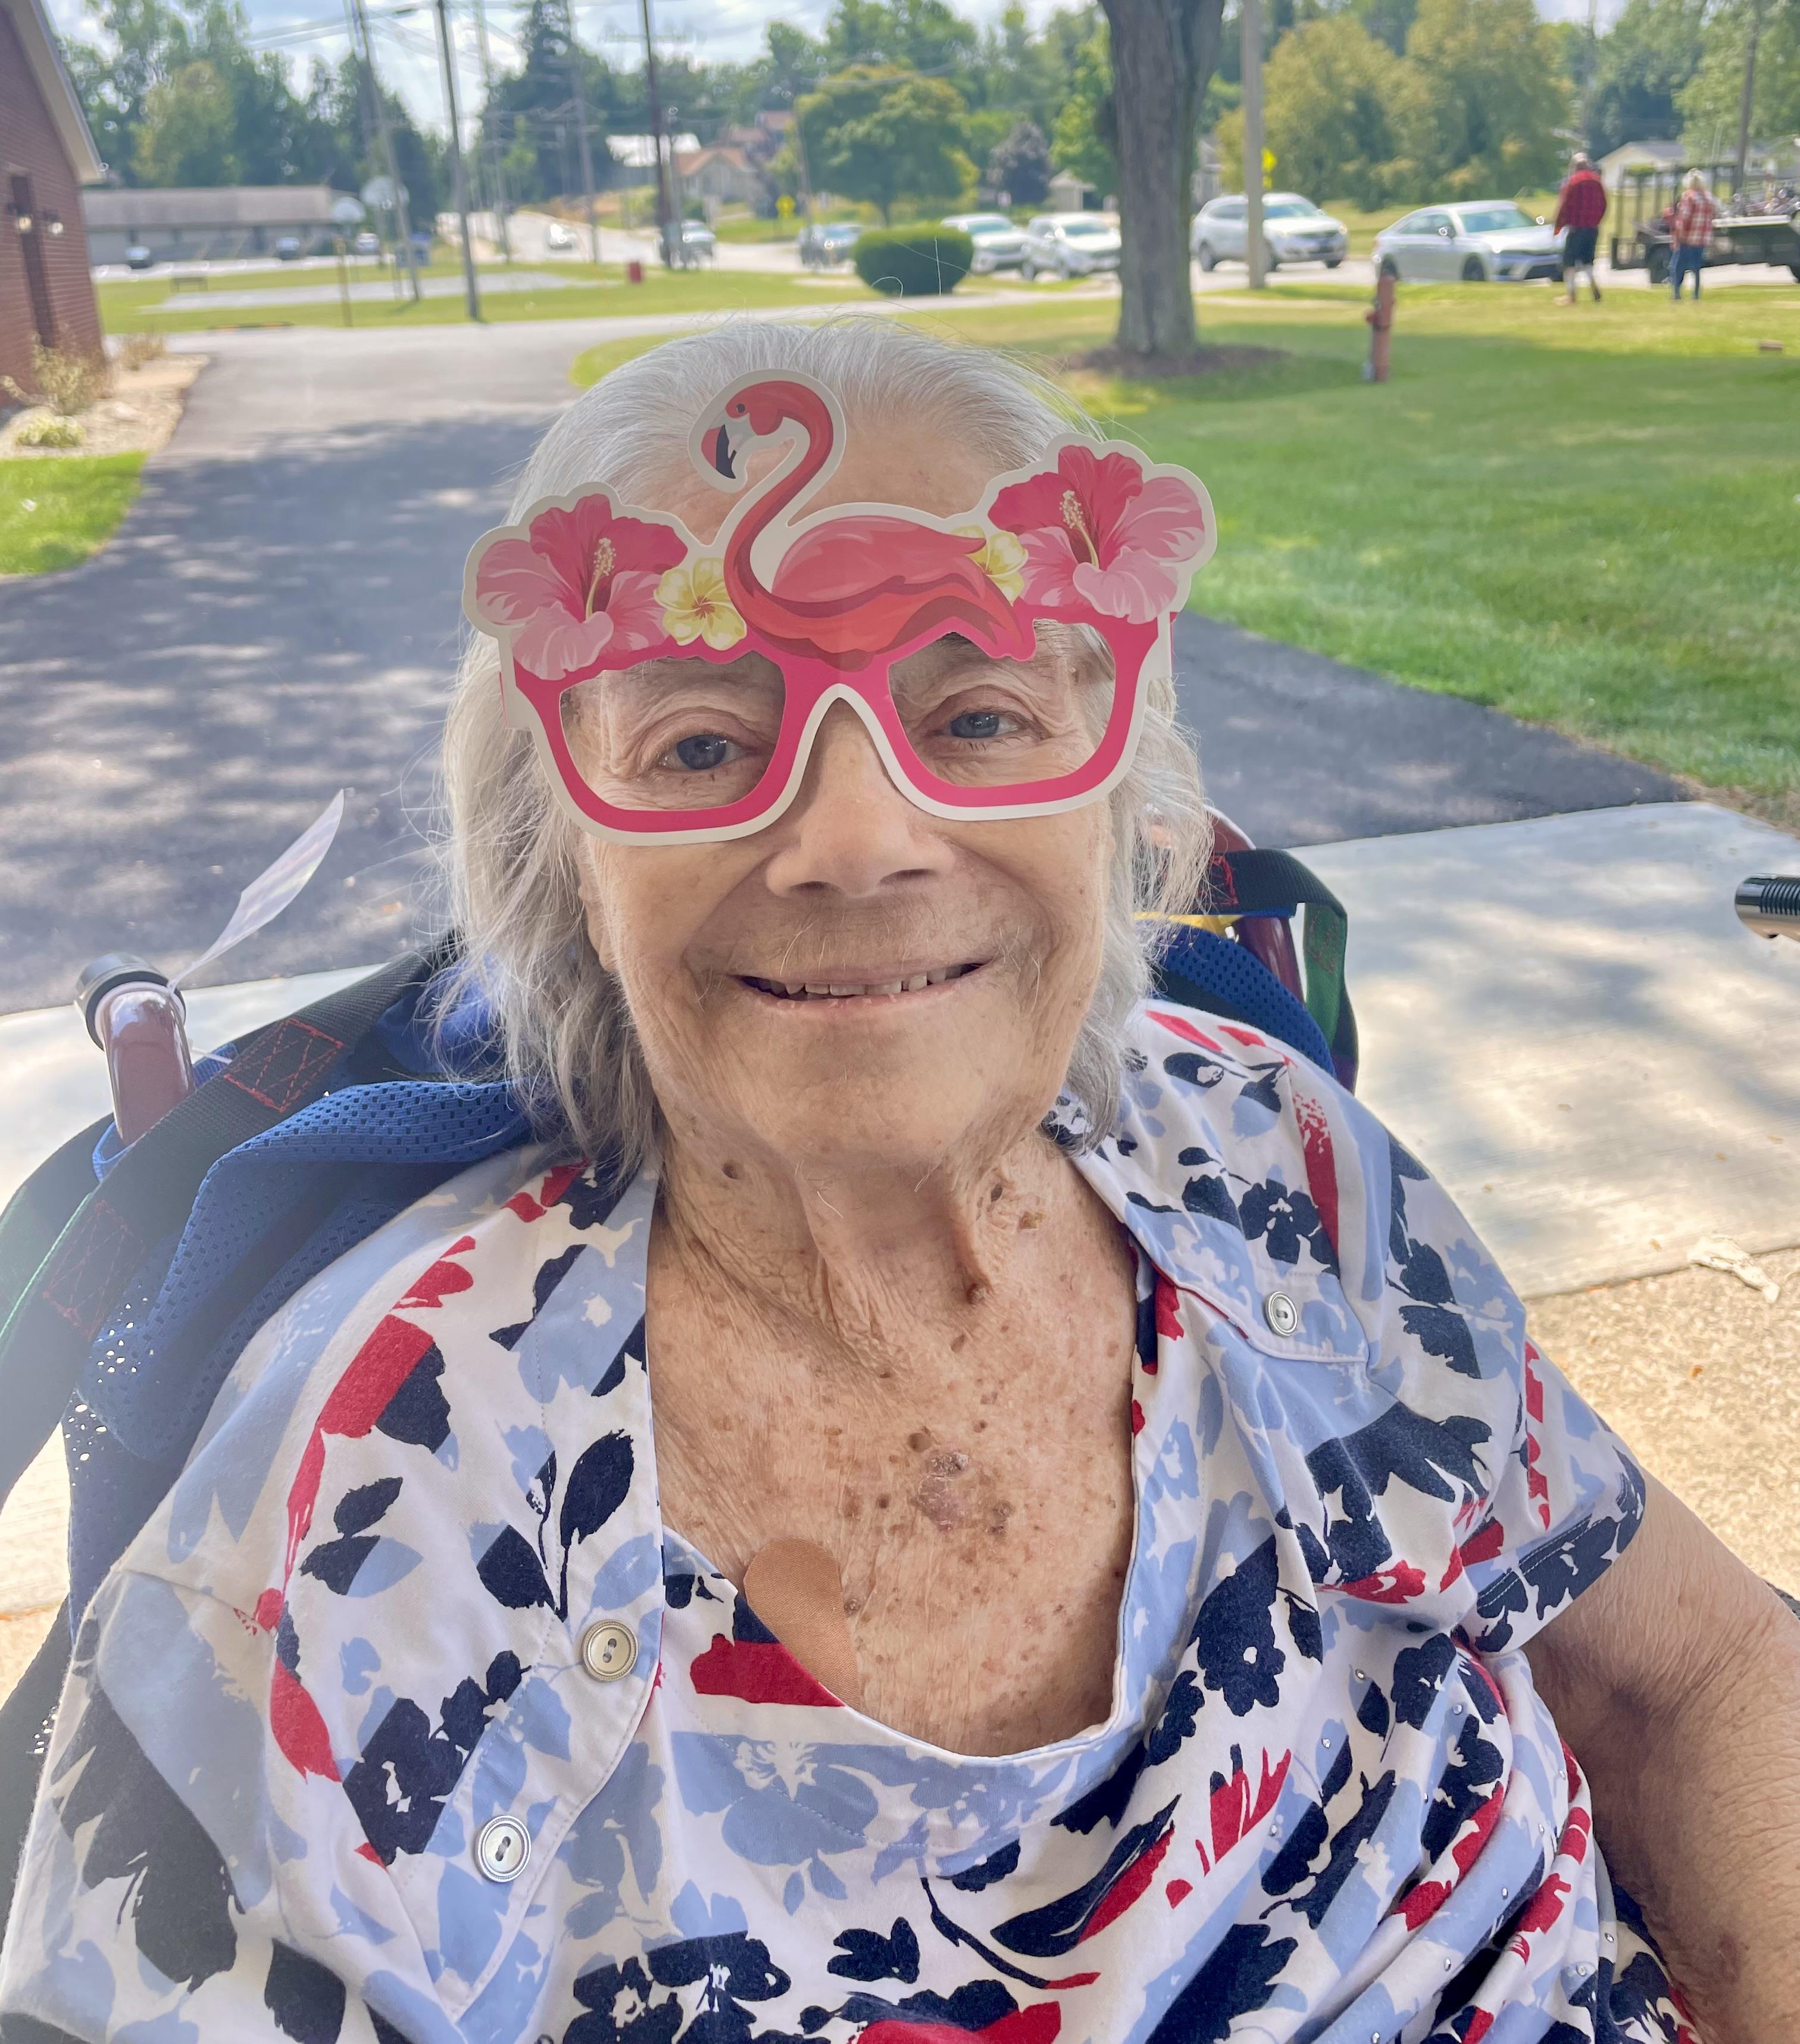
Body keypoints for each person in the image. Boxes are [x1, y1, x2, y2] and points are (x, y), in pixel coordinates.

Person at [3, 320, 1798, 2044]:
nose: (857, 838)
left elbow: (1690, 1677)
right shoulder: (379, 1491)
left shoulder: (1275, 1147)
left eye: (983, 714)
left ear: (1119, 801)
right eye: (703, 744)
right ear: (567, 859)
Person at [1552, 153, 1608, 304]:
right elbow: (1604, 205)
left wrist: (1558, 226)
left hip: (1576, 228)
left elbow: (1564, 206)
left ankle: (1571, 296)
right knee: (1588, 261)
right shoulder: (1598, 182)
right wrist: (1596, 222)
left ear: (1574, 166)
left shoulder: (1572, 182)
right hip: (1592, 229)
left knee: (1569, 263)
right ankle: (1593, 287)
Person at [1667, 168, 1720, 300]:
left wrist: (1677, 236)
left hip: (1687, 238)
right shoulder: (1708, 197)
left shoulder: (1689, 197)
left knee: (1677, 266)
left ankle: (1677, 293)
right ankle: (1696, 294)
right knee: (1696, 267)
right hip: (1702, 239)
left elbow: (1683, 219)